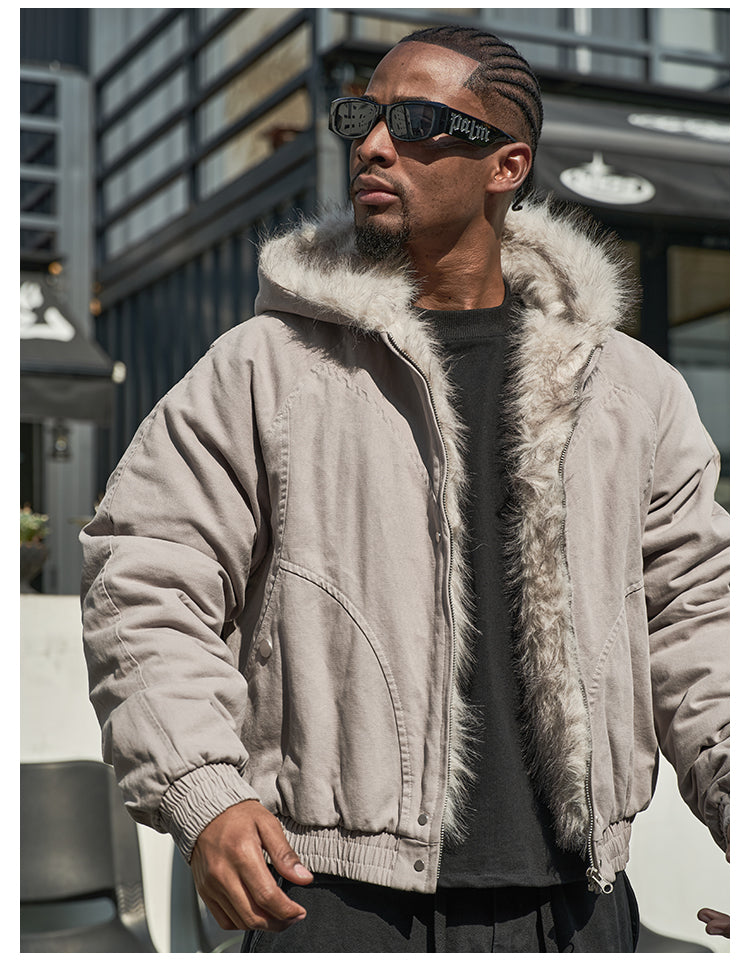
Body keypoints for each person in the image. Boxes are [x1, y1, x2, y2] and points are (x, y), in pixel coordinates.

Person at [80, 25, 729, 953]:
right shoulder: (265, 367)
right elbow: (145, 575)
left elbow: (700, 621)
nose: (375, 146)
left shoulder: (631, 390)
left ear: (507, 166)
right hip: (332, 901)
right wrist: (203, 790)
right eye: (363, 118)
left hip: (576, 910)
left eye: (419, 123)